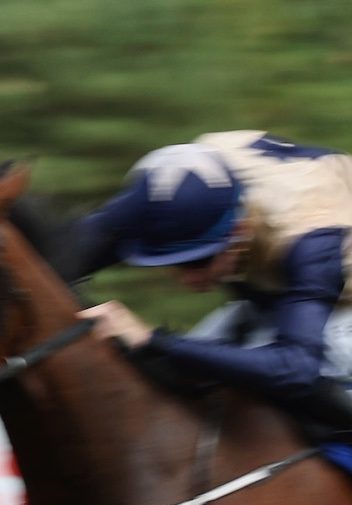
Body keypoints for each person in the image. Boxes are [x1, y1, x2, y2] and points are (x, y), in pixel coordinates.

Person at [73, 133, 352, 425]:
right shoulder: (172, 183)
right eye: (174, 263)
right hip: (276, 284)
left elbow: (296, 369)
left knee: (297, 397)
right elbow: (59, 254)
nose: (186, 279)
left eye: (199, 261)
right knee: (171, 379)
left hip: (337, 302)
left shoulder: (313, 242)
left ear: (239, 231)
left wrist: (152, 340)